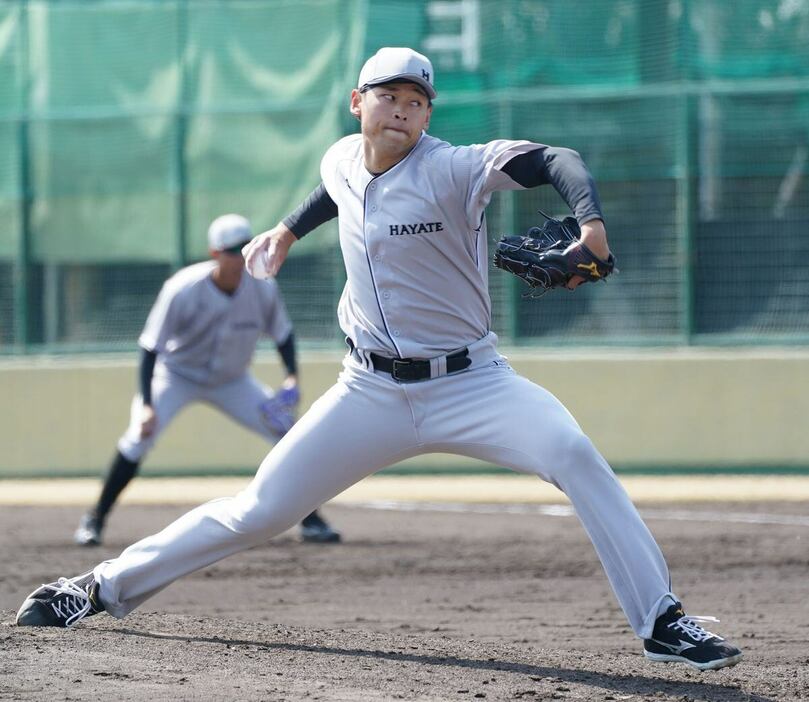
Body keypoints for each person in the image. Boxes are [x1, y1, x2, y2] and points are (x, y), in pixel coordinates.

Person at [17, 48, 741, 672]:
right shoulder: (339, 155)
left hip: (473, 384)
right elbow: (336, 190)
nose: (402, 109)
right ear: (357, 101)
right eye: (389, 95)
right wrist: (286, 230)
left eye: (416, 100)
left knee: (573, 452)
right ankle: (97, 588)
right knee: (258, 512)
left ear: (427, 116)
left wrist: (589, 225)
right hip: (366, 391)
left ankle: (660, 623)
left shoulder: (455, 169)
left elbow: (557, 159)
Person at [72, 213, 340, 546]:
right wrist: (146, 404)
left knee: (287, 431)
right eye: (231, 250)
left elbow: (283, 334)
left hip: (232, 381)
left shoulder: (262, 288)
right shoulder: (183, 288)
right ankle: (95, 518)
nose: (239, 257)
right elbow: (150, 347)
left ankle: (311, 520)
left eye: (245, 248)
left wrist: (291, 378)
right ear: (214, 253)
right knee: (139, 436)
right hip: (177, 375)